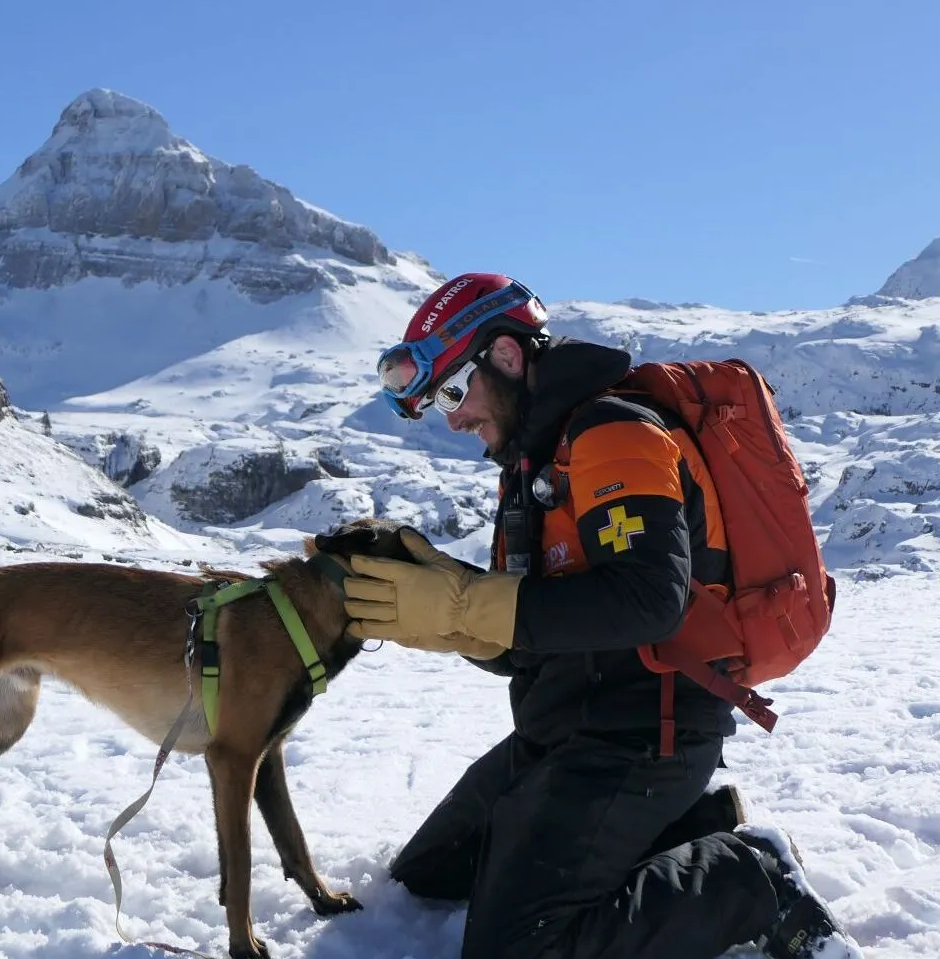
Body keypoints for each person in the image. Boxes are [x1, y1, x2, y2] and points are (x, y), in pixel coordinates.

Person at [343, 273, 859, 959]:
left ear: (506, 357)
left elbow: (647, 599)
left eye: (454, 392)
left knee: (520, 949)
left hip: (645, 732)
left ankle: (750, 880)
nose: (454, 418)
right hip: (561, 725)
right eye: (439, 403)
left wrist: (467, 602)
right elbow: (527, 640)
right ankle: (691, 828)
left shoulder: (615, 434)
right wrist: (440, 609)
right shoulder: (533, 466)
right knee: (428, 877)